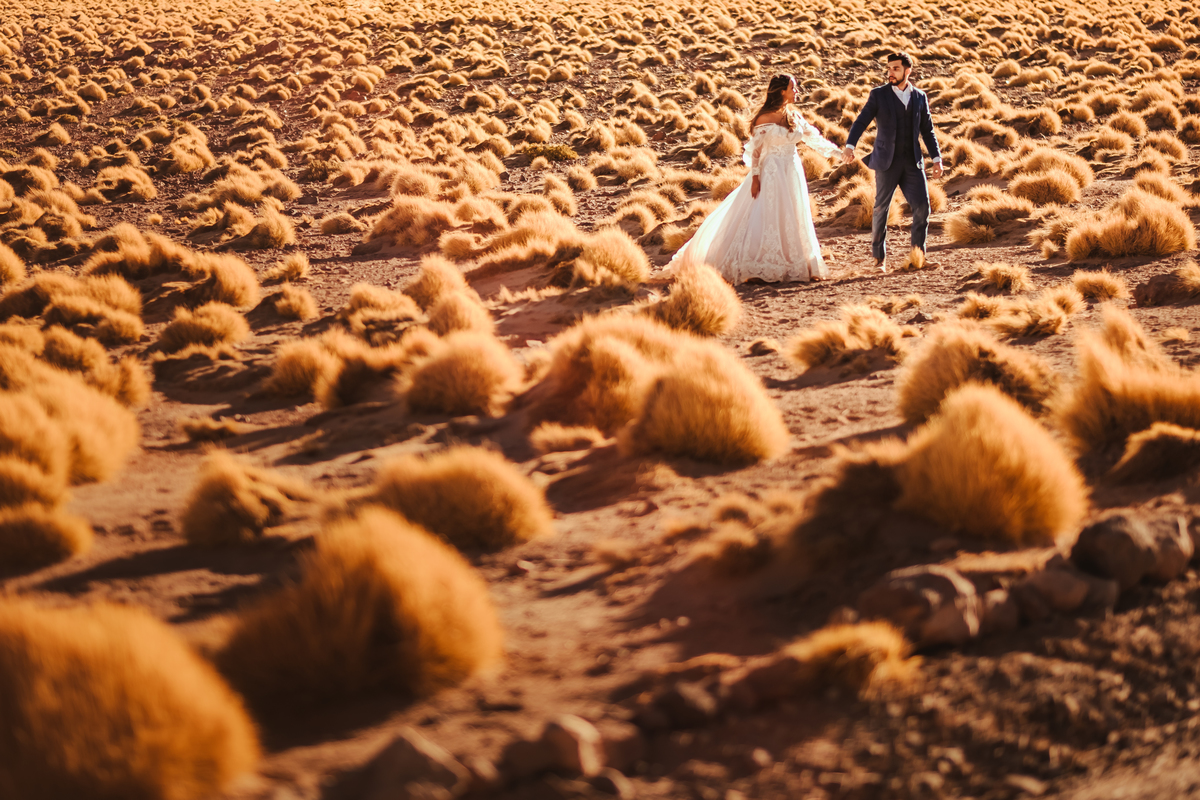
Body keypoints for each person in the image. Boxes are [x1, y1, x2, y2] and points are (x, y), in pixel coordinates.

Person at [667, 74, 842, 285]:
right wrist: (756, 178)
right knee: (766, 213)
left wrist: (840, 154)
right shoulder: (764, 118)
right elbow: (757, 152)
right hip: (771, 172)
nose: (797, 92)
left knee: (792, 213)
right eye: (793, 88)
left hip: (792, 170)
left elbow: (814, 138)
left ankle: (796, 261)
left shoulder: (793, 116)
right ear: (781, 91)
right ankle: (759, 263)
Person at [842, 51, 943, 273]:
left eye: (895, 69)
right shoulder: (878, 95)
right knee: (881, 209)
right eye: (889, 68)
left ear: (908, 71)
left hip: (913, 163)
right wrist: (850, 146)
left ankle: (919, 257)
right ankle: (879, 260)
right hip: (886, 162)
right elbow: (861, 122)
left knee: (922, 207)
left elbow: (928, 130)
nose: (890, 73)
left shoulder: (920, 97)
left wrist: (936, 159)